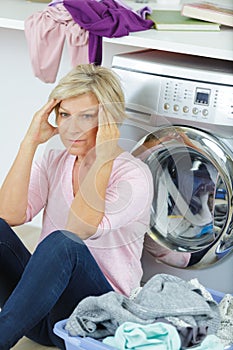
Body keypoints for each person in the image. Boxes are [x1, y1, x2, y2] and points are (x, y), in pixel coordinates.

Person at [0, 64, 153, 349]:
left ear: (110, 121)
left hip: (97, 320)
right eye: (65, 115)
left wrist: (103, 158)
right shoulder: (55, 160)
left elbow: (78, 229)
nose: (71, 129)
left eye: (86, 117)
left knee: (64, 243)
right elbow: (9, 214)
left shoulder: (133, 177)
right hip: (42, 313)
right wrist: (29, 142)